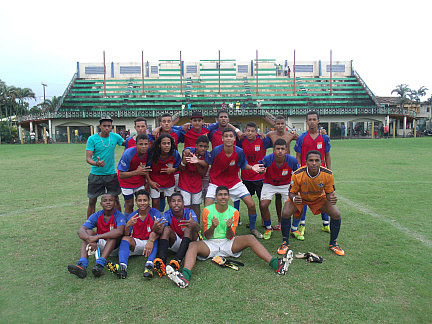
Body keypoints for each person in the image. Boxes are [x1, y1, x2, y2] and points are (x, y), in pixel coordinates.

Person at [165, 186, 292, 288]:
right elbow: (207, 236)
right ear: (215, 197)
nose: (223, 197)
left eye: (225, 195)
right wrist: (213, 227)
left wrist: (230, 228)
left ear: (229, 197)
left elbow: (230, 236)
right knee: (192, 245)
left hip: (228, 242)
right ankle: (185, 277)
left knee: (250, 238)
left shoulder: (234, 212)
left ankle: (277, 264)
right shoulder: (207, 210)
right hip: (211, 244)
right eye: (220, 195)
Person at [187, 128, 265, 239]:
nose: (228, 138)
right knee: (207, 207)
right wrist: (197, 161)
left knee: (251, 204)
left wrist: (252, 168)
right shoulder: (216, 151)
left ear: (234, 138)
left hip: (234, 183)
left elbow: (243, 165)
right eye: (226, 136)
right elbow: (207, 162)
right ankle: (207, 231)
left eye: (231, 136)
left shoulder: (239, 151)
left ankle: (252, 228)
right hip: (216, 183)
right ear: (222, 138)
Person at [278, 150, 345, 257]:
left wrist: (332, 198)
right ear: (306, 162)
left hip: (319, 199)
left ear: (321, 162)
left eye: (317, 160)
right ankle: (285, 242)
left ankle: (333, 243)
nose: (314, 163)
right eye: (311, 160)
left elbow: (329, 194)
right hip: (301, 198)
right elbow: (291, 193)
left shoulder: (328, 174)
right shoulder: (297, 174)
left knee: (336, 214)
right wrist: (295, 199)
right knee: (286, 212)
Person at [67, 193, 126, 278]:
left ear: (115, 203)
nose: (108, 203)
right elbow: (81, 230)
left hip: (115, 247)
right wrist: (89, 239)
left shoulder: (119, 215)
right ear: (101, 204)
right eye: (105, 201)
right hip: (102, 244)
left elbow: (120, 231)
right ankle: (82, 265)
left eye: (111, 200)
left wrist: (97, 237)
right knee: (89, 232)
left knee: (113, 235)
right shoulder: (97, 215)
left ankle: (100, 264)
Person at [292, 111, 331, 239]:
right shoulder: (302, 137)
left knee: (323, 198)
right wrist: (298, 171)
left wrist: (329, 171)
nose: (312, 122)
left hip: (321, 174)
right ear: (307, 122)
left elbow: (327, 155)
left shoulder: (324, 137)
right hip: (305, 174)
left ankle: (326, 224)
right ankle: (302, 225)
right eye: (310, 119)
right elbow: (298, 155)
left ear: (318, 121)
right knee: (303, 199)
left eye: (314, 119)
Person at [115, 190, 161, 279]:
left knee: (155, 237)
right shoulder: (133, 215)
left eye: (145, 200)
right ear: (136, 202)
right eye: (140, 200)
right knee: (125, 239)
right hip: (138, 243)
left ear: (149, 201)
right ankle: (122, 266)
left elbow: (159, 231)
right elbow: (126, 234)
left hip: (151, 243)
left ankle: (149, 266)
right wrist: (128, 225)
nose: (142, 203)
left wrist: (151, 240)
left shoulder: (155, 213)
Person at [259, 139, 299, 240]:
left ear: (286, 150)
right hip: (269, 183)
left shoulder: (292, 160)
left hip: (286, 185)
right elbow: (260, 167)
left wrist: (296, 189)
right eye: (278, 149)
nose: (280, 151)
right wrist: (261, 170)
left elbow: (298, 174)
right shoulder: (268, 159)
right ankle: (268, 228)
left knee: (295, 205)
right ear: (274, 150)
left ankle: (294, 229)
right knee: (263, 205)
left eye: (282, 149)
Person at [85, 116, 124, 218]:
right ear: (100, 126)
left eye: (109, 126)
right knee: (92, 200)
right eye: (104, 126)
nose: (107, 128)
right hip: (96, 175)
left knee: (115, 199)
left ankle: (119, 222)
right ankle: (89, 225)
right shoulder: (92, 139)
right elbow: (88, 158)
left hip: (111, 174)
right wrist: (96, 163)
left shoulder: (115, 137)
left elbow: (129, 144)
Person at [153, 192, 200, 277]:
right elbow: (160, 229)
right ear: (170, 203)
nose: (176, 203)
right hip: (179, 242)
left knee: (188, 228)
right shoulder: (167, 214)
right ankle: (161, 261)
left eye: (179, 201)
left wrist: (195, 224)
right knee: (166, 229)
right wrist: (156, 227)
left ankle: (177, 261)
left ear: (183, 203)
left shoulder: (189, 212)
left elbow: (198, 229)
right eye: (173, 201)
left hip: (191, 244)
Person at [264, 115, 299, 230]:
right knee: (277, 197)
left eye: (282, 124)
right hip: (275, 166)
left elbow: (301, 139)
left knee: (289, 197)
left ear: (285, 125)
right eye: (278, 124)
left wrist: (322, 133)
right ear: (274, 125)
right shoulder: (270, 134)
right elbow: (262, 139)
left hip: (287, 166)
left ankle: (289, 222)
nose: (280, 126)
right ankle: (279, 221)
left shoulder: (290, 135)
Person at [236, 122, 272, 229]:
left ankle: (264, 220)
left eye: (252, 131)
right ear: (245, 131)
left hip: (260, 177)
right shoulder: (241, 141)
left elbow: (276, 139)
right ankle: (251, 220)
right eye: (248, 131)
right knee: (249, 202)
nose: (250, 133)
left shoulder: (263, 140)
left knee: (263, 201)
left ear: (256, 132)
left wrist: (267, 134)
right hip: (246, 177)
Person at [117, 134, 152, 215]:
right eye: (140, 144)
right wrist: (136, 172)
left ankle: (144, 223)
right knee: (129, 204)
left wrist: (148, 182)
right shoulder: (128, 154)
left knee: (144, 203)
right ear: (136, 144)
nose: (143, 146)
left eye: (146, 144)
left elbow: (147, 169)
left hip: (139, 181)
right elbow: (121, 175)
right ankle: (128, 225)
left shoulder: (150, 152)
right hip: (126, 182)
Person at [178, 135, 210, 219]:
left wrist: (196, 162)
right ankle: (186, 226)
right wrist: (184, 161)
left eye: (205, 146)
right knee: (186, 206)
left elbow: (202, 174)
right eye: (200, 146)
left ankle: (197, 227)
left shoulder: (207, 156)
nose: (203, 148)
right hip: (185, 182)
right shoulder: (189, 152)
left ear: (208, 147)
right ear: (196, 146)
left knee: (196, 206)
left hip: (197, 184)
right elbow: (181, 168)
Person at [146, 134, 181, 211]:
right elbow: (146, 169)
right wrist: (150, 182)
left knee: (172, 202)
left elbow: (180, 166)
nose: (167, 145)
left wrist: (173, 170)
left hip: (169, 181)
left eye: (169, 143)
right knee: (155, 202)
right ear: (159, 145)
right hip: (155, 182)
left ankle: (171, 220)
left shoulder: (175, 154)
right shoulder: (152, 154)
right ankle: (156, 219)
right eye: (164, 143)